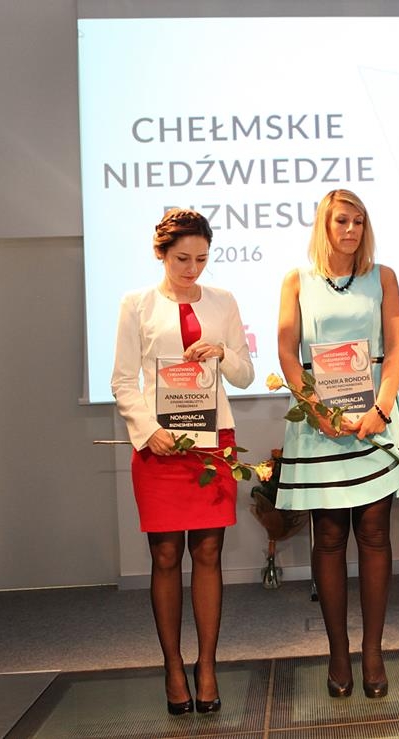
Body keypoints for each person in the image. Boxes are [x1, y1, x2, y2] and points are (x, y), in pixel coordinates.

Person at [275, 189, 399, 700]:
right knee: (328, 537)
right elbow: (287, 352)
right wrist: (316, 409)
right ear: (324, 225)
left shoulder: (383, 277)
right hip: (319, 422)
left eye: (358, 222)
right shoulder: (296, 281)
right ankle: (338, 652)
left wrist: (381, 409)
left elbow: (397, 346)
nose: (350, 230)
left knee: (375, 534)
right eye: (342, 221)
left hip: (375, 418)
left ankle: (374, 651)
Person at [111, 208, 255, 715]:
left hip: (213, 443)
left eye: (201, 259)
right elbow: (123, 381)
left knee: (209, 554)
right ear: (162, 254)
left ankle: (207, 665)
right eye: (182, 259)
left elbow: (244, 374)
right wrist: (148, 431)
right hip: (159, 446)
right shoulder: (137, 305)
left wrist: (223, 354)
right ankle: (173, 667)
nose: (192, 269)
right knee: (166, 557)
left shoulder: (223, 301)